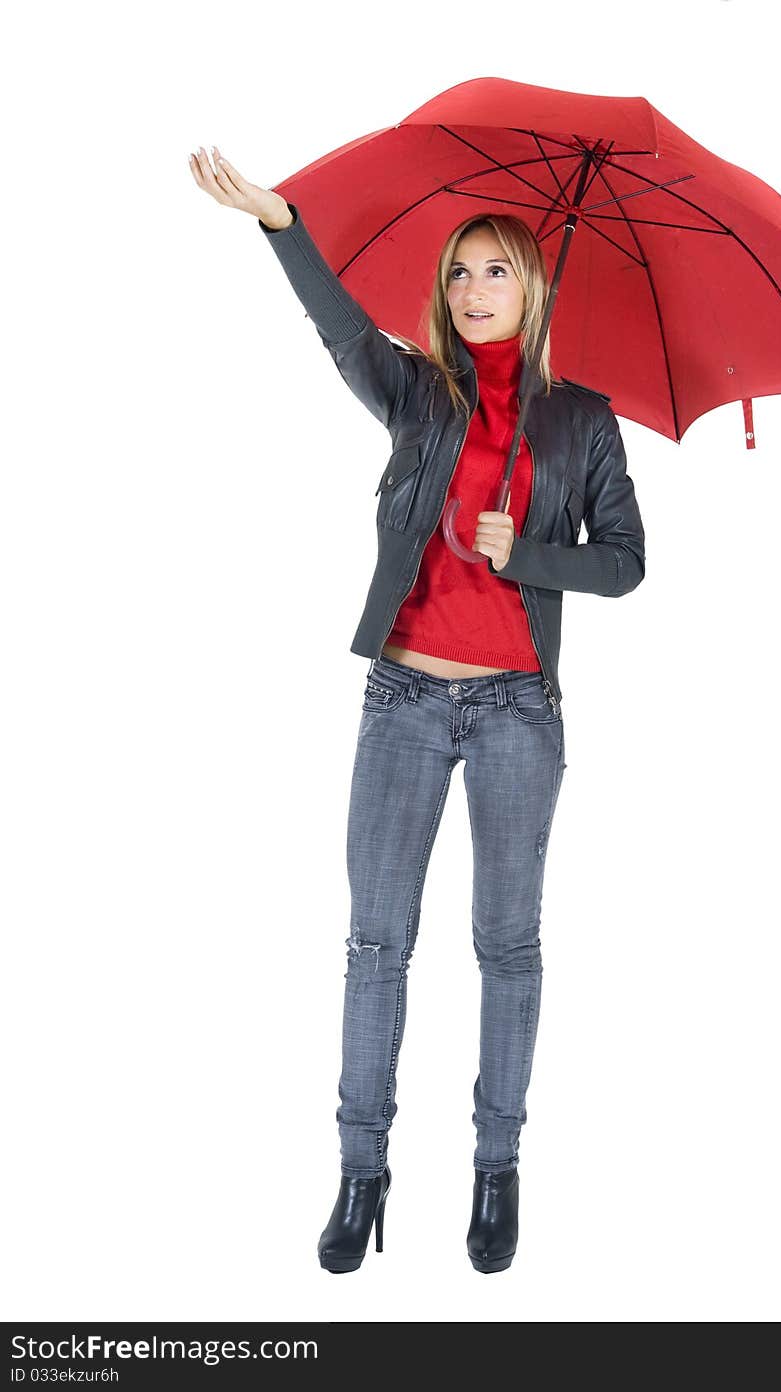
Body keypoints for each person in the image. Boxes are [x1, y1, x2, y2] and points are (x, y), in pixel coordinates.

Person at [188, 144, 645, 1275]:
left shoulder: (580, 421)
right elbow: (341, 330)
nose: (474, 291)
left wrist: (532, 550)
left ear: (533, 288)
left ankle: (497, 1169)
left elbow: (628, 563)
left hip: (515, 717)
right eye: (458, 274)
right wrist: (282, 222)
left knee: (508, 946)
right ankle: (361, 1173)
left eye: (495, 272)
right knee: (375, 943)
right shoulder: (417, 393)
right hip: (400, 698)